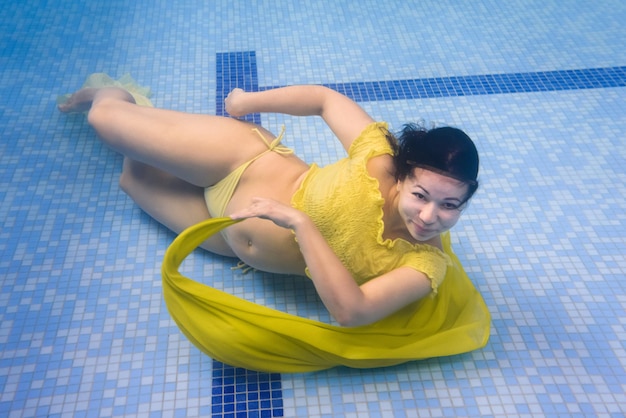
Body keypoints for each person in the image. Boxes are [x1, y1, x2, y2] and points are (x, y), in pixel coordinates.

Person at [59, 74, 489, 372]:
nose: (430, 216)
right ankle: (112, 96)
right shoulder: (377, 160)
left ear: (466, 201)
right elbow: (323, 99)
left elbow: (352, 312)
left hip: (229, 236)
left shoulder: (423, 265)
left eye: (450, 205)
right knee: (103, 121)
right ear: (404, 175)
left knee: (131, 182)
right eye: (420, 195)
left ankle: (142, 124)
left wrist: (301, 225)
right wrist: (247, 102)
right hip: (240, 161)